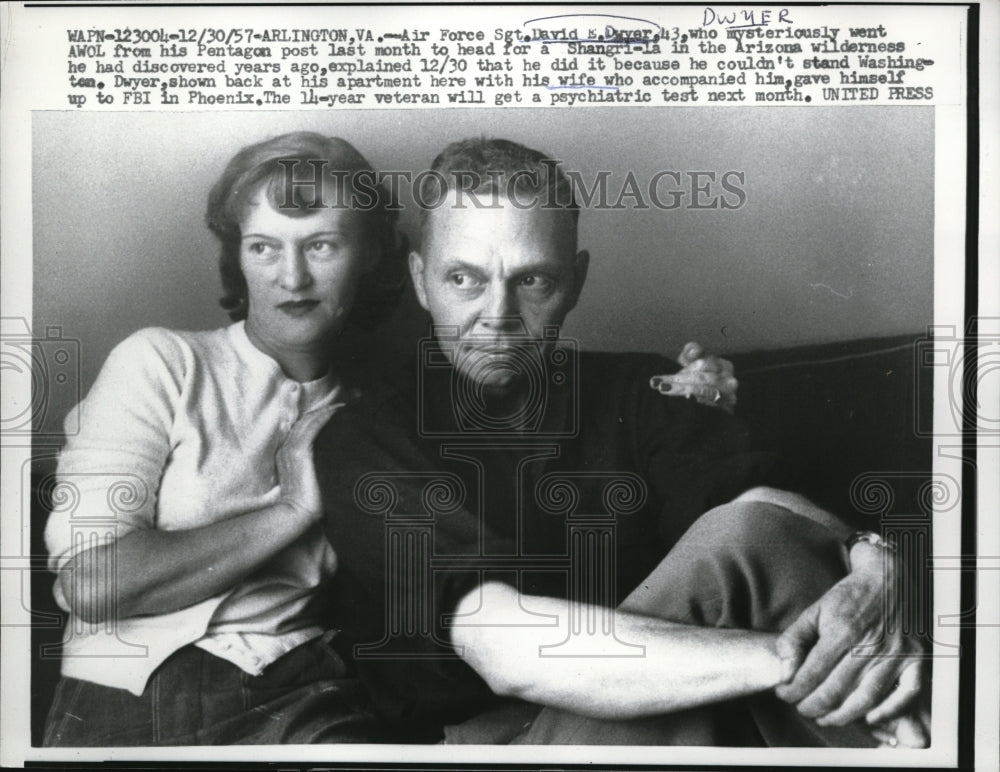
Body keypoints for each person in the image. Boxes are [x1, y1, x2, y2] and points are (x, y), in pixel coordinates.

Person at [41, 131, 732, 746]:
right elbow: (90, 583)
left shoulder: (385, 406)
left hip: (312, 698)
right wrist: (292, 507)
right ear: (238, 257)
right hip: (137, 689)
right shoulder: (163, 361)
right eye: (263, 246)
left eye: (321, 245)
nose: (293, 276)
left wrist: (699, 398)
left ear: (373, 258)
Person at [314, 138, 929, 747]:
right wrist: (794, 661)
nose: (497, 315)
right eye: (463, 279)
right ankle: (902, 737)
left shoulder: (637, 388)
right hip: (504, 746)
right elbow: (506, 649)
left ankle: (902, 736)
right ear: (421, 281)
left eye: (531, 281)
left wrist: (877, 563)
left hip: (689, 704)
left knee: (752, 531)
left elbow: (761, 512)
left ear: (575, 281)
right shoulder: (364, 440)